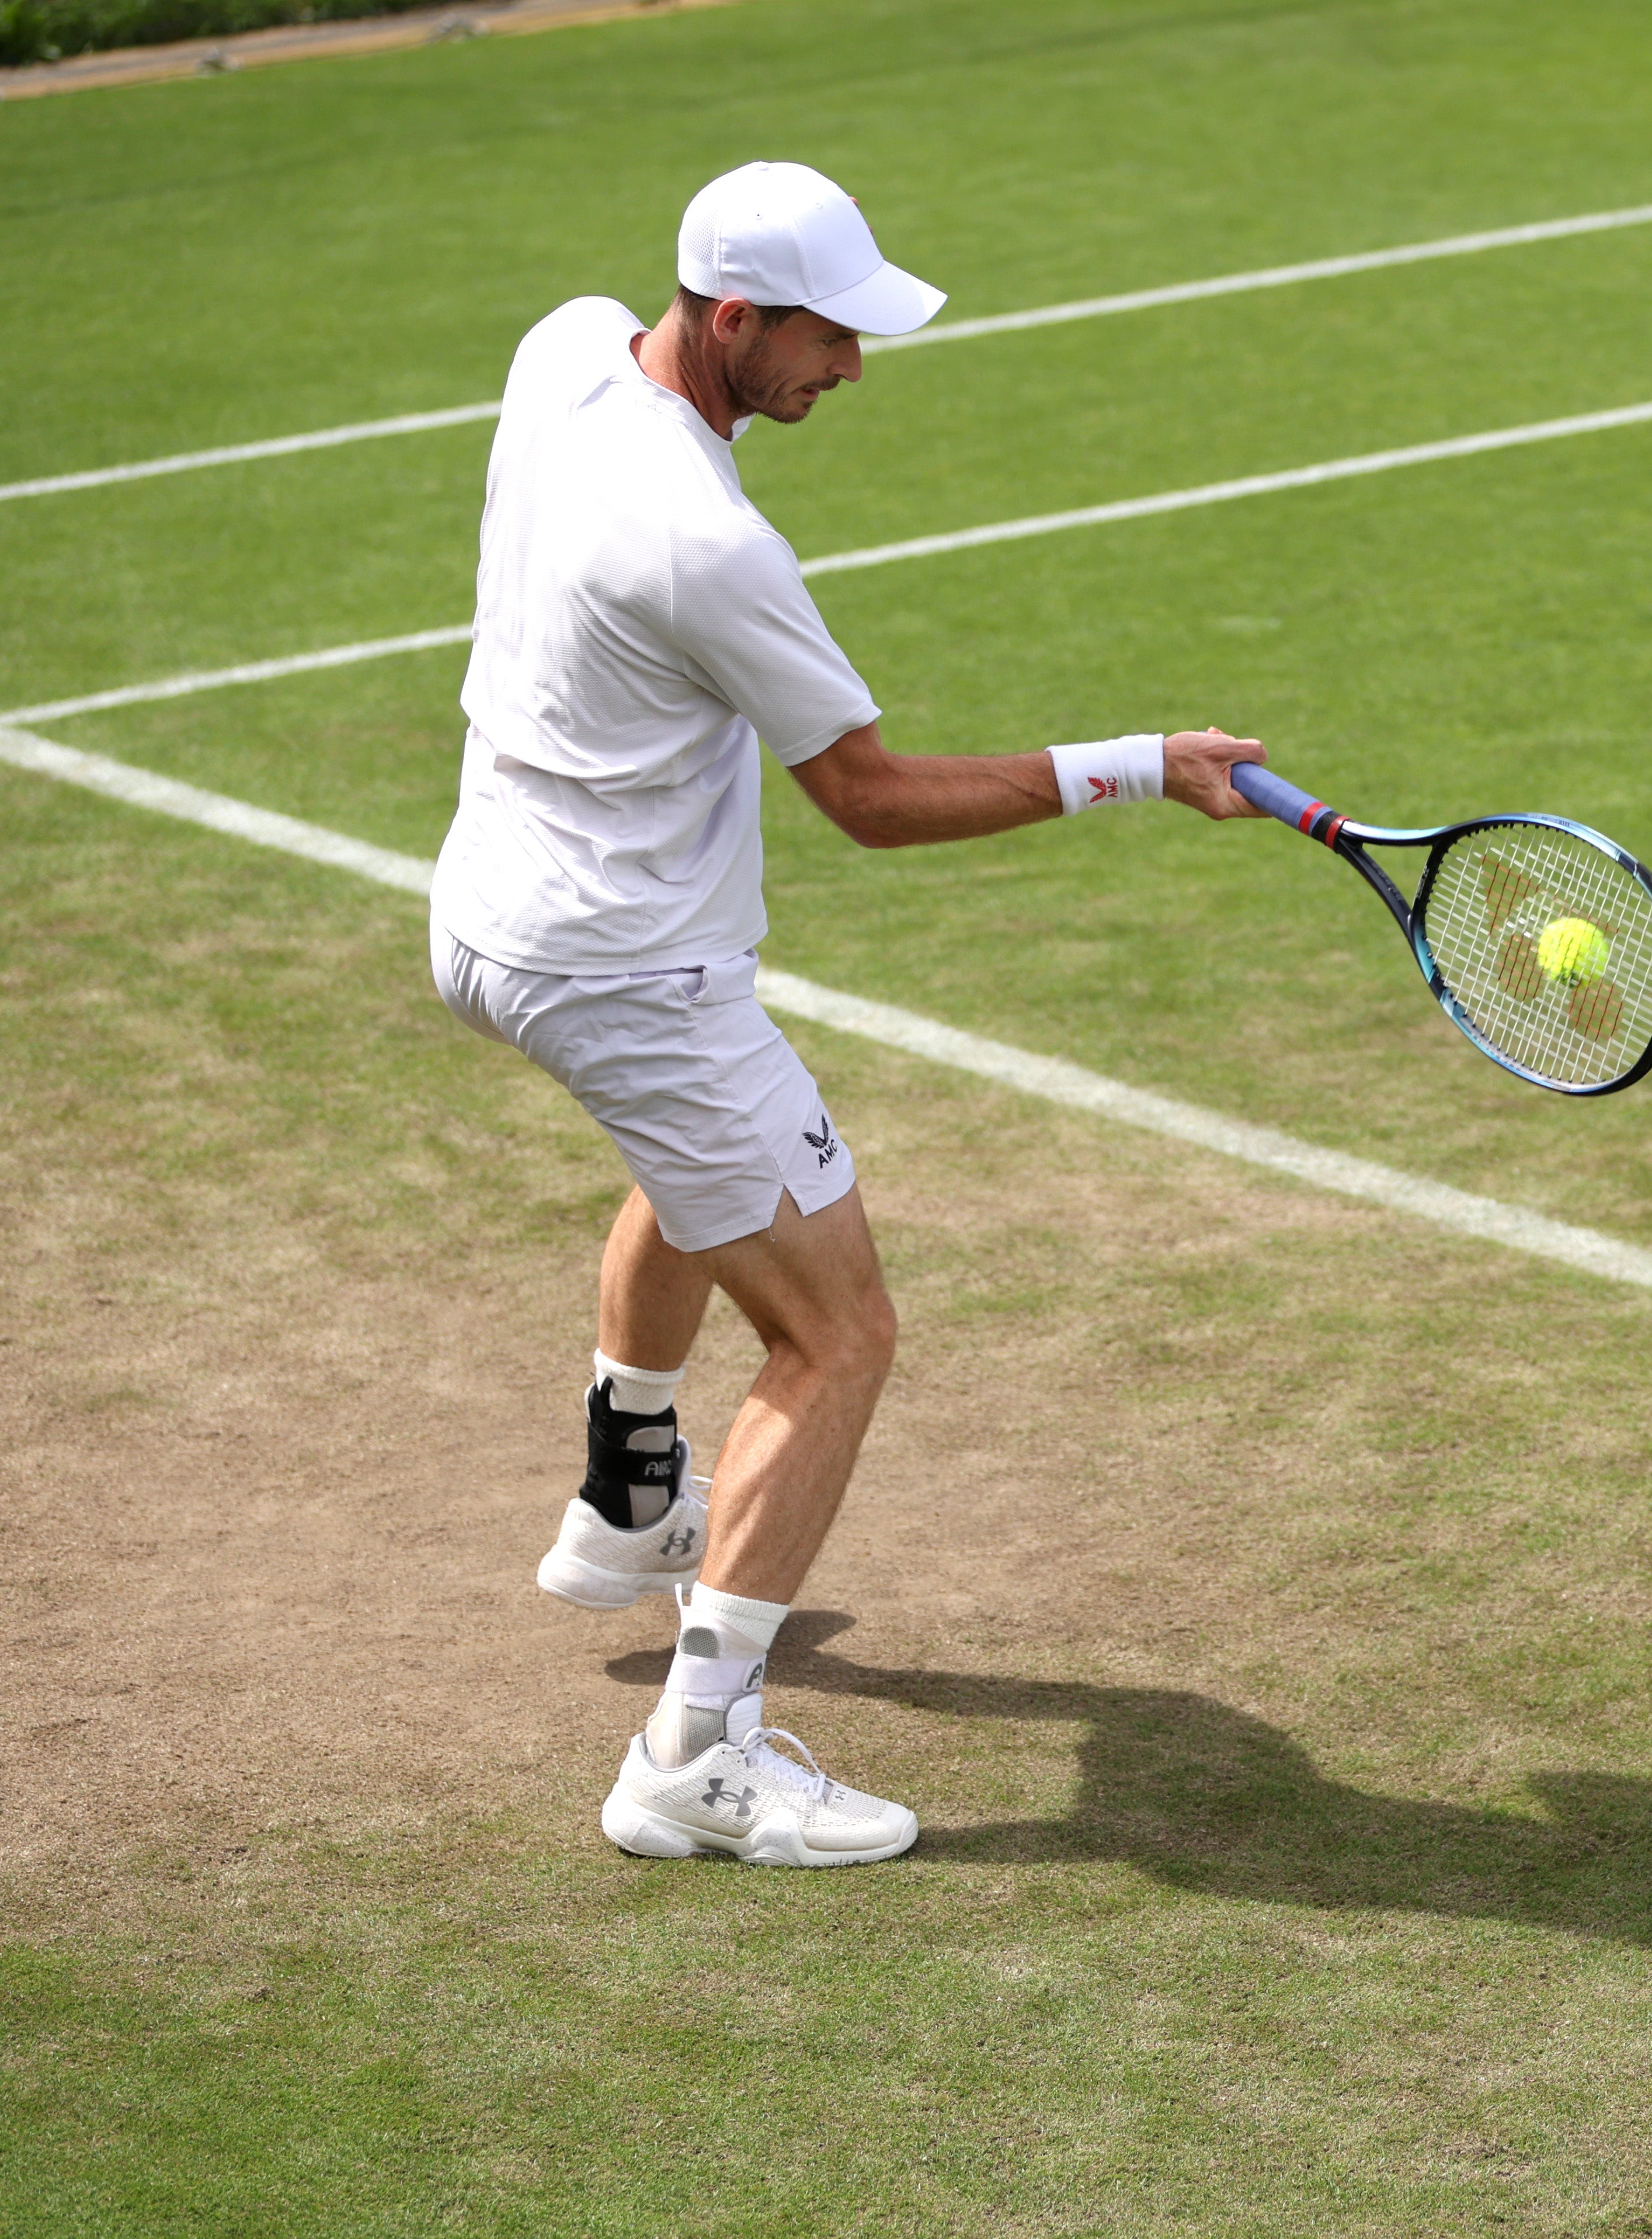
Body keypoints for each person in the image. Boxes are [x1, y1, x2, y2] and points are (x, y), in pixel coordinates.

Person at [428, 160, 1263, 1868]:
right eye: (829, 336)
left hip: (493, 912)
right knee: (838, 1330)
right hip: (627, 971)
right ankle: (697, 1755)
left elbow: (611, 334)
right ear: (734, 319)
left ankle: (629, 1494)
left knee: (708, 1165)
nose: (854, 370)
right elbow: (868, 797)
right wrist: (1141, 767)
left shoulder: (563, 350)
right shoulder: (709, 544)